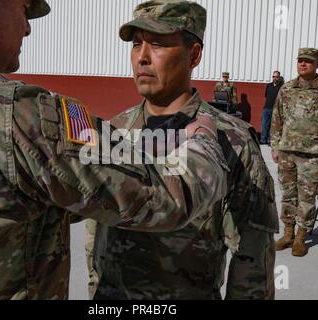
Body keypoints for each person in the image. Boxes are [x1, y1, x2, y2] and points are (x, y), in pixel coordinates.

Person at [0, 0, 229, 299]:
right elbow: (169, 199)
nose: (27, 27)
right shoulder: (20, 113)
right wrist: (203, 142)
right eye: (23, 7)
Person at [86, 0, 279, 300]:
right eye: (136, 45)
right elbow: (94, 229)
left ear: (194, 55)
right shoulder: (115, 131)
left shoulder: (232, 141)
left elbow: (252, 260)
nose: (142, 58)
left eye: (159, 44)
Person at [271, 48, 318, 257]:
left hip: (312, 154)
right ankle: (287, 234)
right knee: (288, 195)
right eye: (300, 61)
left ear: (317, 65)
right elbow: (276, 119)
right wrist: (275, 146)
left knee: (307, 197)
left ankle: (301, 237)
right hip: (286, 151)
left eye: (308, 62)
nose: (303, 64)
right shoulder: (286, 89)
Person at [260, 71, 283, 144]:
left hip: (275, 109)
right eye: (273, 76)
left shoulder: (281, 87)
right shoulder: (269, 85)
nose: (275, 78)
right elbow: (266, 95)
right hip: (266, 108)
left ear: (279, 77)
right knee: (264, 124)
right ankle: (263, 140)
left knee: (273, 126)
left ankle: (270, 141)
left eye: (276, 77)